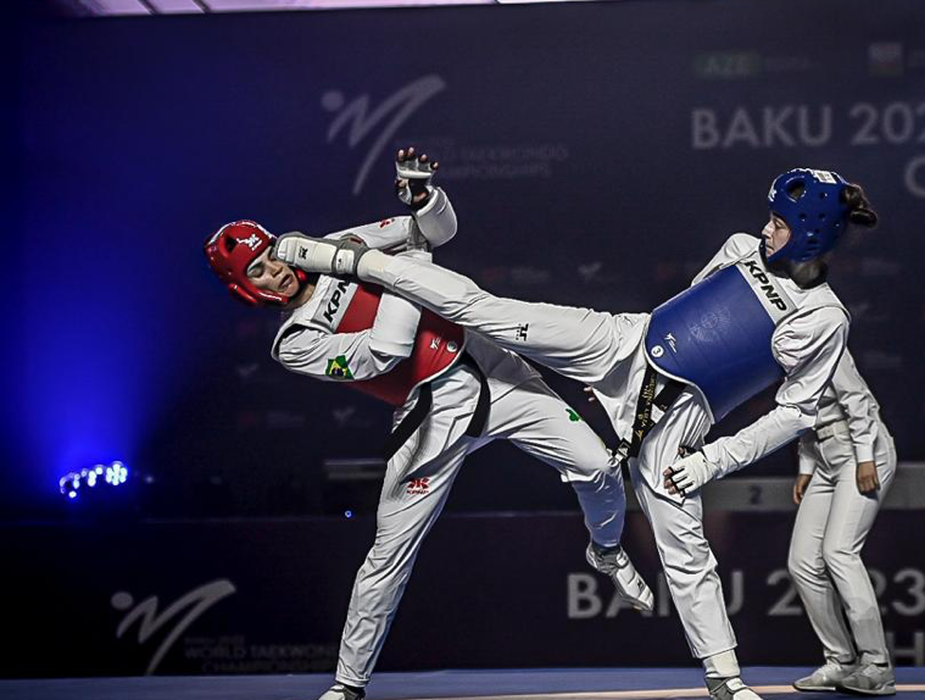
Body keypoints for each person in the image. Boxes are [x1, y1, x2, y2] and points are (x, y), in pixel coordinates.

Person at [275, 168, 879, 700]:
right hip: (622, 342)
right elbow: (688, 311)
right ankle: (346, 260)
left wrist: (710, 461)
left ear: (812, 234)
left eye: (780, 223)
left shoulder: (824, 318)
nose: (767, 228)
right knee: (486, 309)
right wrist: (621, 378)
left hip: (677, 425)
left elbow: (795, 413)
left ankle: (725, 678)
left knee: (685, 552)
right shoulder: (742, 247)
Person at [203, 149, 652, 700]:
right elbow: (386, 352)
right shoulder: (294, 341)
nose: (274, 269)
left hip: (493, 366)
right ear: (245, 289)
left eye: (271, 254)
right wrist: (403, 267)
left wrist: (424, 201)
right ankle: (348, 685)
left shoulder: (330, 247)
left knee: (599, 467)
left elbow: (435, 231)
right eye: (257, 270)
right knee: (389, 553)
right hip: (430, 414)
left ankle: (605, 551)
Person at [787, 349, 897, 695]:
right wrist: (807, 465)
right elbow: (802, 408)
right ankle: (841, 661)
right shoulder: (776, 348)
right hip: (824, 457)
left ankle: (877, 665)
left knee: (839, 552)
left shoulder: (822, 332)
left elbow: (856, 398)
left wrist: (865, 457)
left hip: (861, 449)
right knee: (802, 562)